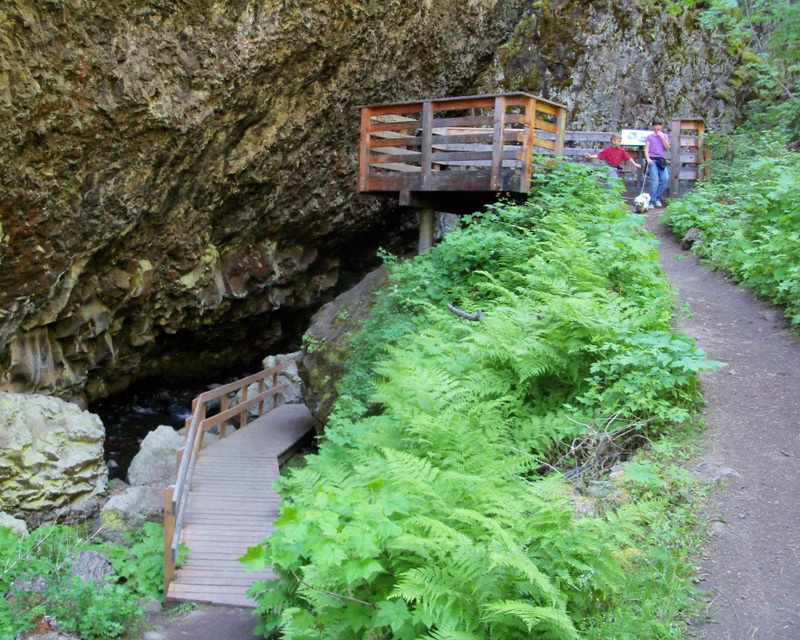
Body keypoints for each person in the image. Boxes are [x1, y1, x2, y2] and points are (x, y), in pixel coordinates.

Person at [644, 117, 671, 209]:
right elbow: (646, 148)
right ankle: (652, 201)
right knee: (654, 180)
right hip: (652, 160)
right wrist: (648, 159)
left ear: (662, 126)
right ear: (653, 126)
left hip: (661, 160)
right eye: (655, 125)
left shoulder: (665, 136)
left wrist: (661, 137)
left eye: (659, 125)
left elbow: (667, 147)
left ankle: (657, 198)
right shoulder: (649, 137)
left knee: (665, 178)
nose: (657, 127)